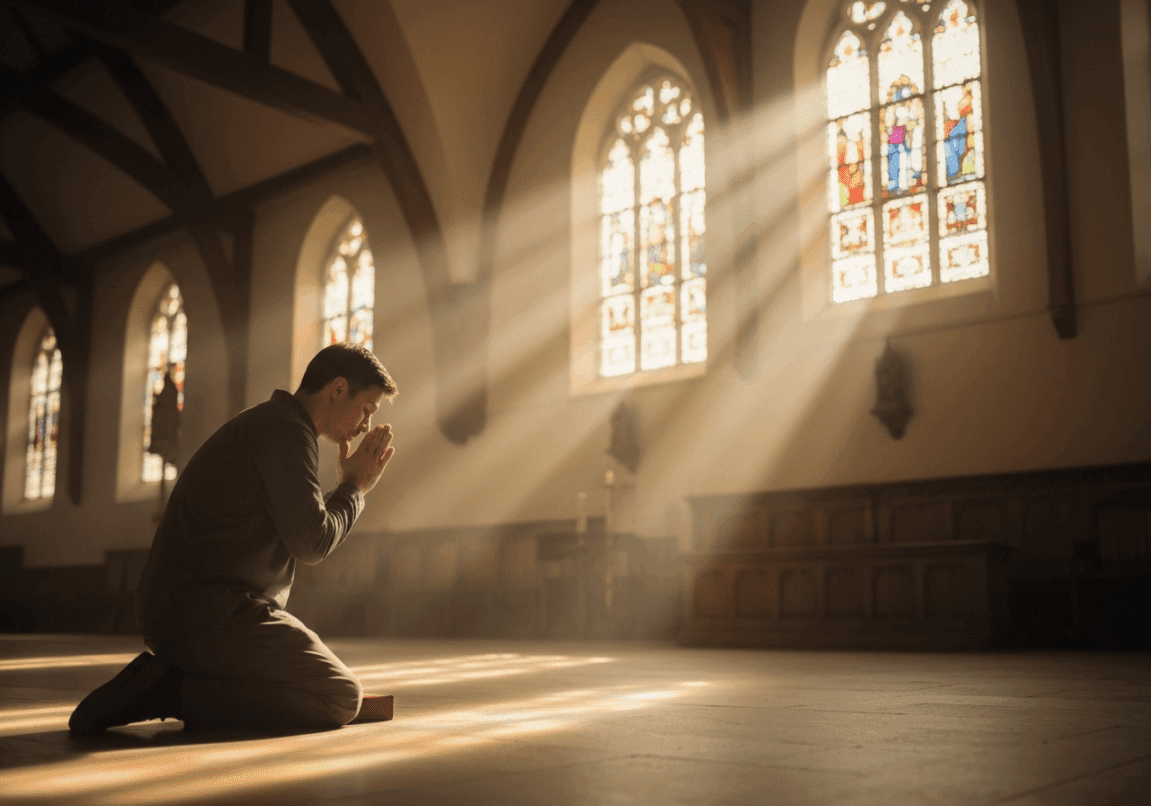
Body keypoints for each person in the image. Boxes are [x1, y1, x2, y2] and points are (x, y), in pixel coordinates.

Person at [69, 343, 397, 735]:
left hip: (194, 608)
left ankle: (178, 679)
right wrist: (354, 489)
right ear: (339, 388)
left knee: (328, 692)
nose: (365, 425)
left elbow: (305, 529)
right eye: (367, 409)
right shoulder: (286, 431)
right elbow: (311, 543)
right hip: (205, 612)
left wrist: (347, 490)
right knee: (342, 697)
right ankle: (171, 689)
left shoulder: (276, 424)